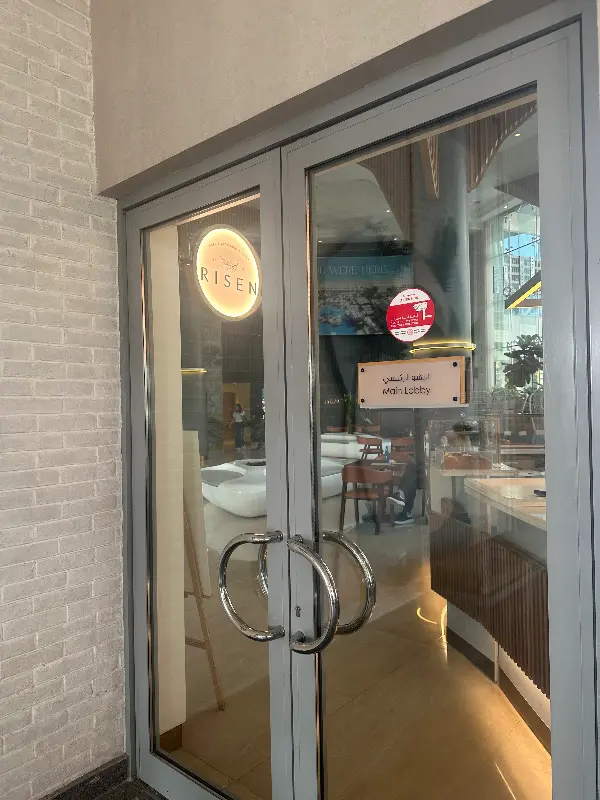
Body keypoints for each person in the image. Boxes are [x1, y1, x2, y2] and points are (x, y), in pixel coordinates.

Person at [386, 460, 417, 525]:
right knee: (410, 468)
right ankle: (407, 512)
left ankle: (401, 495)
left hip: (422, 477)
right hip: (415, 475)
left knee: (412, 468)